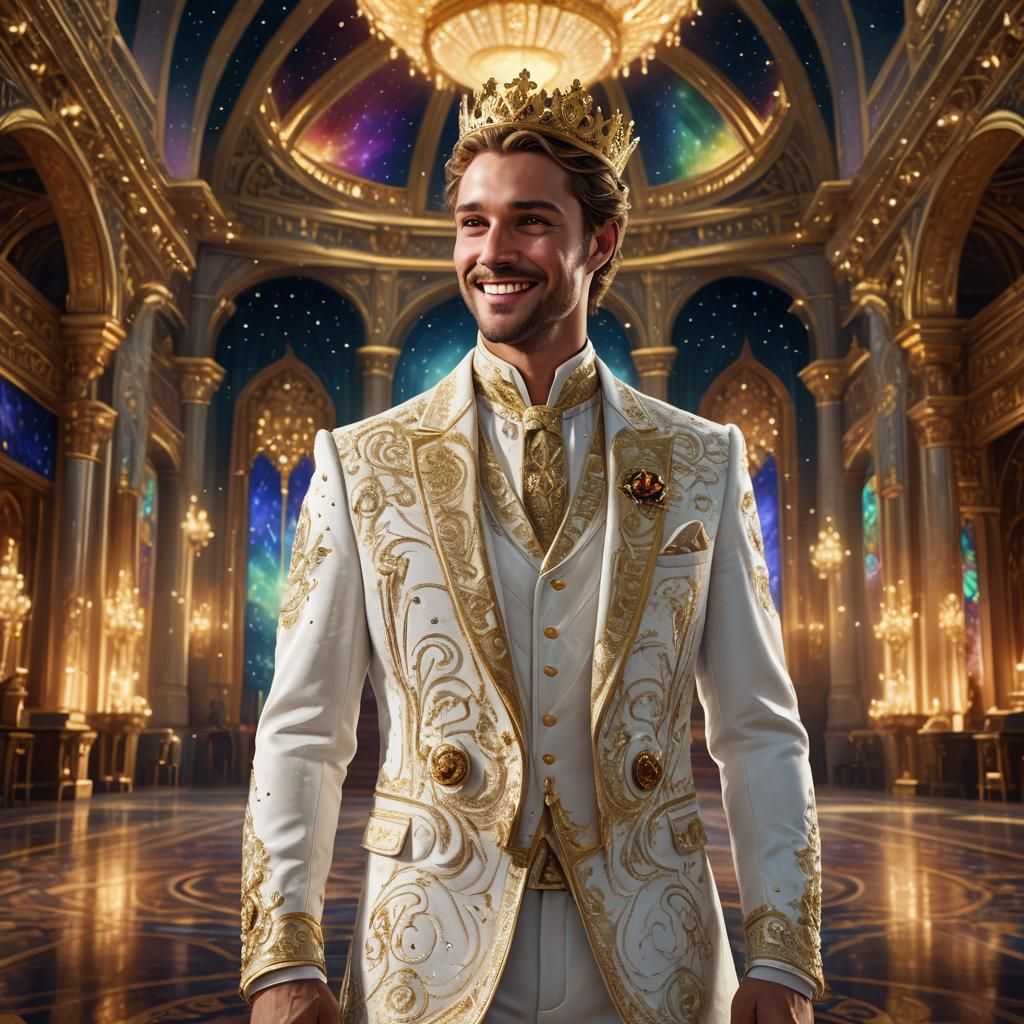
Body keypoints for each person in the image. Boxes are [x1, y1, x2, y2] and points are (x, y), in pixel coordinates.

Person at [241, 69, 823, 1024]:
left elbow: (759, 729)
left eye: (530, 222)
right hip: (426, 955)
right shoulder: (360, 464)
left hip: (654, 956)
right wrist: (281, 958)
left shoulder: (703, 460)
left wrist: (786, 954)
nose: (492, 252)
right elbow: (304, 730)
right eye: (473, 222)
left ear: (603, 241)